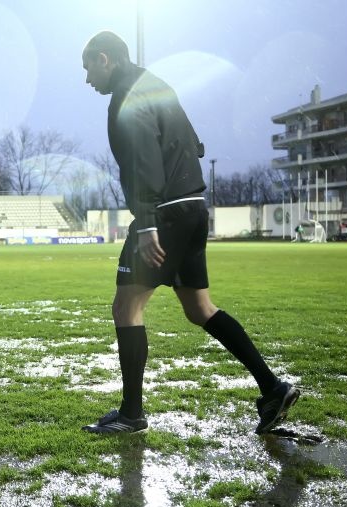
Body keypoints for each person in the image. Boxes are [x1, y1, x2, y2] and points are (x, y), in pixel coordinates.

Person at [80, 31, 299, 435]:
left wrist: (146, 224)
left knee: (126, 307)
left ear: (105, 59)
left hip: (163, 214)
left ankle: (131, 415)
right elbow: (194, 145)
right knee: (200, 309)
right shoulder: (157, 85)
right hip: (193, 207)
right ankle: (272, 388)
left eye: (88, 66)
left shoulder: (126, 96)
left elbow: (141, 162)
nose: (87, 78)